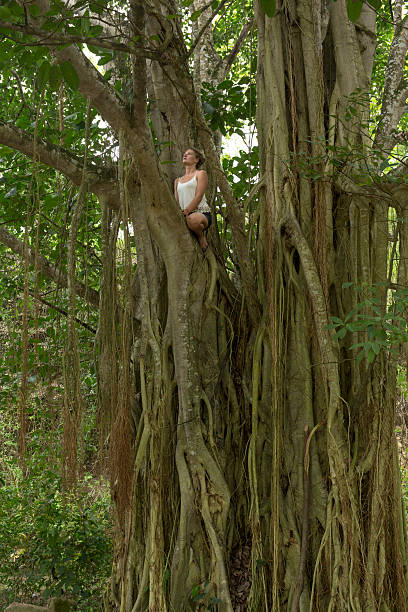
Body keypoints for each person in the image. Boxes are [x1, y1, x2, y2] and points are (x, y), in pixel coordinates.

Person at [174, 147, 212, 251]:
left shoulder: (200, 174)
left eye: (189, 154)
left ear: (196, 160)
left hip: (201, 213)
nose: (185, 155)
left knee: (193, 220)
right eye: (184, 154)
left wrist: (186, 212)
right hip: (184, 215)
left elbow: (199, 196)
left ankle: (200, 236)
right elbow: (176, 201)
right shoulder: (177, 181)